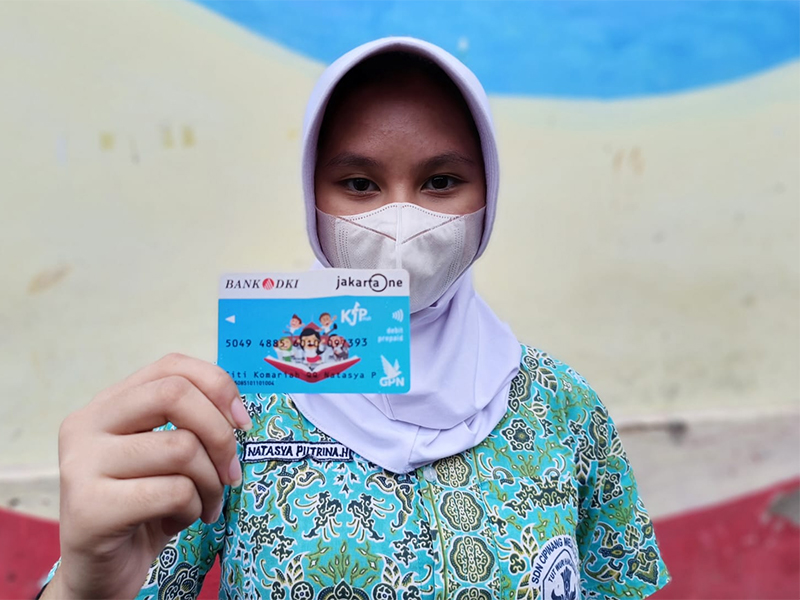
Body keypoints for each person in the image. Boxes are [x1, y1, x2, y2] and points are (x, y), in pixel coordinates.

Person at [41, 37, 670, 599]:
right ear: (311, 196)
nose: (400, 224)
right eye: (360, 184)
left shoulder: (563, 409)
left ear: (490, 194)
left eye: (441, 181)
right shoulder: (228, 416)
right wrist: (84, 588)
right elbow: (123, 575)